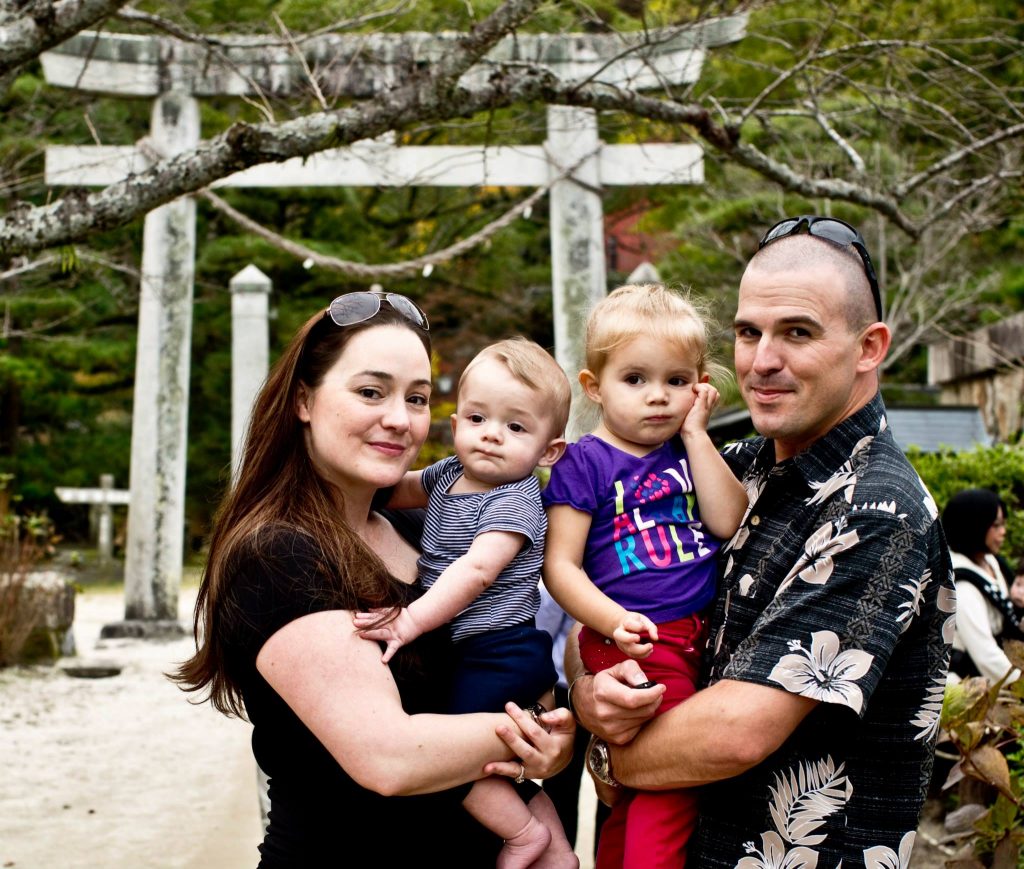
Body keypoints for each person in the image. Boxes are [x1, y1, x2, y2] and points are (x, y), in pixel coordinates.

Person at [567, 216, 955, 867]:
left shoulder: (877, 506)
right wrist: (590, 691)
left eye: (797, 332)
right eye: (748, 332)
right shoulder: (732, 466)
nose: (761, 360)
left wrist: (606, 745)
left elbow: (735, 731)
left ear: (869, 347)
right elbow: (604, 597)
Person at [173, 291, 576, 867]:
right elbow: (390, 758)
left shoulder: (425, 524)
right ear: (304, 400)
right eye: (370, 392)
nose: (399, 418)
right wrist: (542, 735)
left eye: (416, 398)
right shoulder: (279, 553)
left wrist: (560, 728)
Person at [541, 283, 748, 869]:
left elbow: (728, 519)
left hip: (692, 637)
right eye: (635, 379)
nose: (658, 397)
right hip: (635, 641)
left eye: (677, 381)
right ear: (594, 387)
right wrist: (614, 620)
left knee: (634, 798)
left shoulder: (689, 454)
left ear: (700, 386)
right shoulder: (585, 461)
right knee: (674, 781)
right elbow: (561, 567)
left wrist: (697, 434)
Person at [354, 337, 575, 868]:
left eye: (516, 427)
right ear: (456, 427)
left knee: (450, 758)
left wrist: (410, 621)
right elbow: (398, 489)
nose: (492, 435)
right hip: (471, 647)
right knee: (498, 762)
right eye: (477, 418)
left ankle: (522, 835)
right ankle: (559, 851)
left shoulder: (516, 501)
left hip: (500, 648)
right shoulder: (450, 473)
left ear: (548, 451)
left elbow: (474, 573)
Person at [943, 488, 1024, 683]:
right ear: (975, 527)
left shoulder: (990, 561)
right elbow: (986, 657)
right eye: (996, 526)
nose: (1003, 532)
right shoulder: (962, 586)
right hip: (974, 687)